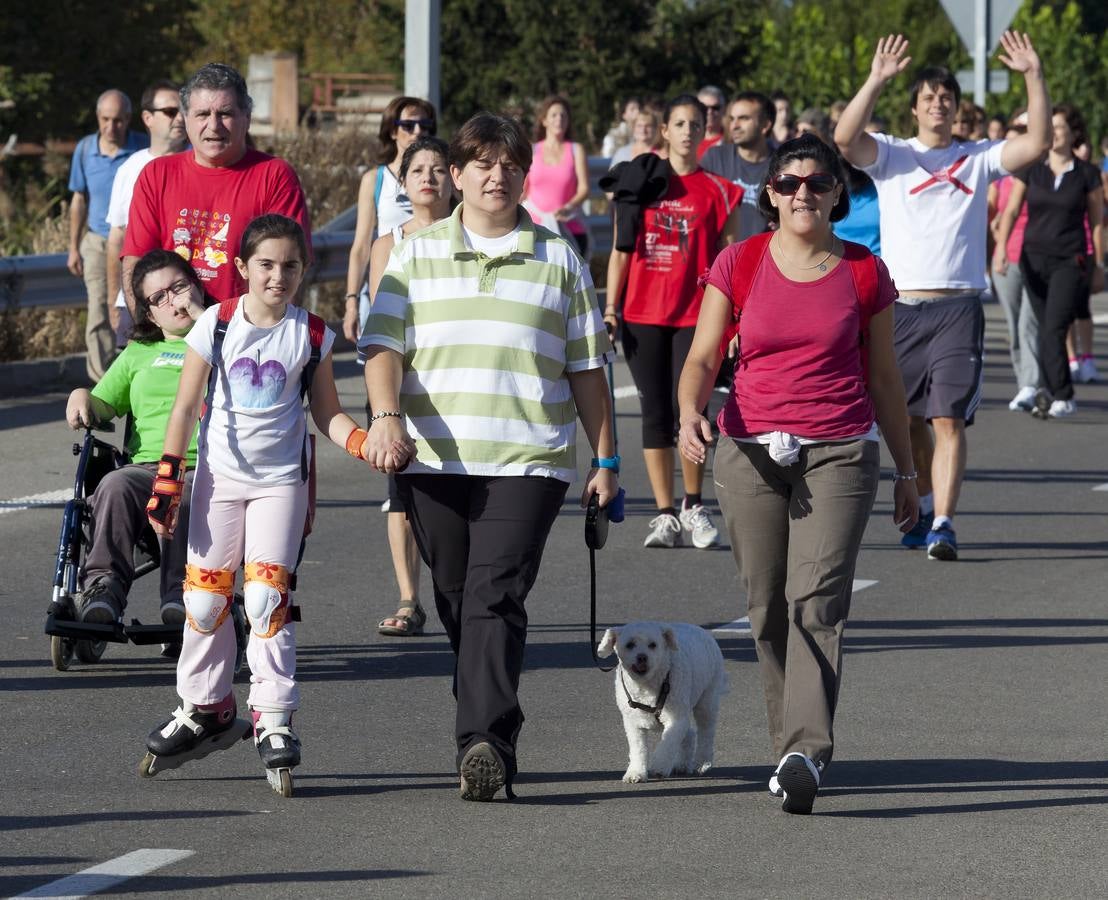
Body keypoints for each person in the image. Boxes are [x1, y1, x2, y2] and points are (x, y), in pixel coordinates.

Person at [359, 112, 617, 801]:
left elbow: (589, 368)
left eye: (508, 164)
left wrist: (606, 460)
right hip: (431, 461)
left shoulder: (557, 255)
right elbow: (381, 346)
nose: (495, 175)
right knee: (454, 597)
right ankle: (484, 710)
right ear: (457, 176)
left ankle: (486, 741)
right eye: (481, 164)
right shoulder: (414, 254)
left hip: (527, 458)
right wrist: (385, 420)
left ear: (524, 175)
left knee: (494, 595)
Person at [676, 134, 918, 814]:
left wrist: (908, 472)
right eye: (788, 183)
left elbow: (887, 380)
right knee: (766, 604)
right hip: (749, 449)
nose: (802, 194)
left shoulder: (864, 271)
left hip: (840, 449)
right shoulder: (742, 261)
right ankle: (791, 749)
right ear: (771, 193)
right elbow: (700, 357)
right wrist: (689, 410)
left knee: (816, 601)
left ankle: (805, 749)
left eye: (816, 182)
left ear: (839, 190)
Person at [140, 214, 371, 794]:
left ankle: (273, 716)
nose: (278, 276)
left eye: (290, 266)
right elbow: (184, 406)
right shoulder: (215, 324)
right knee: (202, 599)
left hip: (279, 485)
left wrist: (367, 442)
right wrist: (168, 480)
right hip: (219, 479)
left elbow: (327, 414)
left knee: (267, 595)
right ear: (241, 269)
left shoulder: (312, 334)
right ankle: (206, 706)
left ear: (303, 270)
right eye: (265, 264)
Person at [834, 31, 1051, 561]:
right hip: (901, 309)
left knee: (947, 418)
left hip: (958, 307)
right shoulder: (891, 156)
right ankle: (926, 501)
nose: (938, 103)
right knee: (906, 422)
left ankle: (945, 523)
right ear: (914, 109)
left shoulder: (978, 157)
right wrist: (877, 78)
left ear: (956, 110)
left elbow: (1037, 143)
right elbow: (843, 140)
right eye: (928, 97)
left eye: (946, 98)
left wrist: (1033, 75)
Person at [604, 94, 743, 550]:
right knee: (655, 413)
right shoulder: (642, 179)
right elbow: (621, 252)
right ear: (664, 130)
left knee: (693, 410)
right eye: (679, 123)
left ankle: (693, 504)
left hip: (696, 317)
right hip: (642, 314)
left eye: (695, 124)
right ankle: (664, 514)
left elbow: (731, 259)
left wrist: (736, 319)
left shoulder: (721, 190)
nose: (687, 131)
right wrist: (610, 307)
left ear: (705, 132)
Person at [63, 250, 208, 631]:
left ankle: (180, 593)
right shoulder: (140, 353)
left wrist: (203, 322)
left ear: (196, 286)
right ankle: (103, 590)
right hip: (147, 468)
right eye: (158, 297)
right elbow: (103, 402)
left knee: (186, 490)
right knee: (113, 483)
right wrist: (82, 394)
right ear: (149, 313)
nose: (173, 300)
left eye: (178, 287)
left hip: (206, 465)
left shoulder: (226, 339)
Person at [121, 64, 311, 314]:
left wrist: (269, 336)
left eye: (225, 113)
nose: (214, 125)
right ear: (185, 119)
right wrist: (146, 329)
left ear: (247, 118)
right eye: (202, 114)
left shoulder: (274, 176)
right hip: (174, 333)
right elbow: (137, 265)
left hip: (244, 333)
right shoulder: (156, 175)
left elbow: (289, 267)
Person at [363, 136, 454, 637]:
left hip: (457, 378)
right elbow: (383, 321)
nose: (428, 177)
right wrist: (385, 406)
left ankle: (454, 590)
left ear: (454, 177)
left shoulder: (472, 235)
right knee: (401, 492)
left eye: (439, 168)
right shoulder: (389, 244)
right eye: (418, 169)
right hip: (407, 379)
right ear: (403, 181)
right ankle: (408, 598)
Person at [994, 103, 1104, 418]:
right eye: (1051, 128)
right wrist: (1002, 247)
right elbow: (1012, 210)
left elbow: (1097, 223)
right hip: (1032, 259)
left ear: (1073, 134)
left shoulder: (1087, 174)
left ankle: (1064, 394)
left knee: (1055, 326)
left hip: (1070, 260)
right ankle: (1043, 388)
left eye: (1060, 129)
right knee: (1042, 327)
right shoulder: (1033, 168)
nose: (1054, 134)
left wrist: (1098, 266)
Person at [67, 89, 149, 381]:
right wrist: (74, 248)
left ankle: (136, 373)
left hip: (136, 240)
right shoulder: (86, 149)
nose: (111, 127)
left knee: (139, 306)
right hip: (99, 241)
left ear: (128, 120)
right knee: (100, 309)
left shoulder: (144, 148)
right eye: (105, 119)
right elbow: (79, 199)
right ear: (98, 118)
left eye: (118, 120)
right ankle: (101, 382)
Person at [343, 95, 437, 341]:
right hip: (386, 283)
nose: (418, 131)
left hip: (432, 281)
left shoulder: (442, 177)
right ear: (392, 131)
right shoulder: (376, 179)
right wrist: (351, 301)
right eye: (408, 125)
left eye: (425, 125)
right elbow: (362, 246)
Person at [105, 80, 188, 346]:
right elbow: (117, 236)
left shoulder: (200, 163)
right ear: (147, 118)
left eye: (184, 111)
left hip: (184, 299)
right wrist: (113, 300)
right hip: (135, 299)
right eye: (171, 111)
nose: (180, 119)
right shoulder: (130, 167)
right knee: (135, 381)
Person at [987, 111, 1041, 410]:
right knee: (1015, 322)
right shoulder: (999, 176)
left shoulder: (1039, 171)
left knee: (1028, 323)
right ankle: (1027, 382)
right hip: (1007, 255)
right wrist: (995, 233)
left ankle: (1032, 383)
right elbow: (994, 208)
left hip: (1037, 254)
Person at [701, 91, 775, 240]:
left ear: (765, 125)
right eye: (732, 119)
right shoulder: (714, 158)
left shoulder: (782, 163)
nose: (734, 125)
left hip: (765, 256)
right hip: (721, 257)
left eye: (743, 118)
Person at [522, 95, 590, 255]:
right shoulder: (531, 151)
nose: (559, 119)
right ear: (544, 120)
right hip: (533, 228)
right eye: (554, 115)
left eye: (563, 115)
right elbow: (522, 190)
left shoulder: (576, 150)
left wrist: (568, 208)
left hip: (569, 227)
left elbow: (584, 189)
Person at [697, 86, 727, 159]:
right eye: (704, 107)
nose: (710, 112)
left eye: (715, 108)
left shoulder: (732, 142)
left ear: (724, 109)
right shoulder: (687, 139)